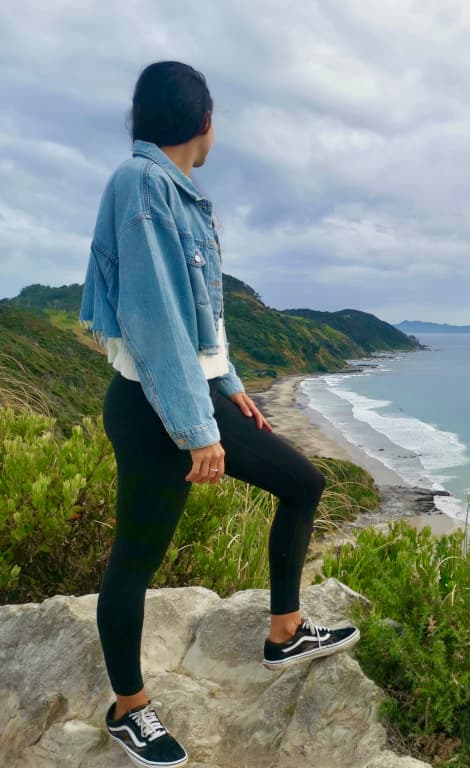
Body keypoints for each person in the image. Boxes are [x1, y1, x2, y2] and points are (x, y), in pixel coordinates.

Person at [79, 60, 359, 768]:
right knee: (135, 562)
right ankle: (129, 710)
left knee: (303, 483)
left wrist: (230, 382)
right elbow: (156, 319)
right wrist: (198, 430)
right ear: (203, 121)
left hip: (191, 394)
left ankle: (285, 632)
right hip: (156, 405)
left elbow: (202, 319)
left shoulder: (180, 194)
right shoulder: (143, 185)